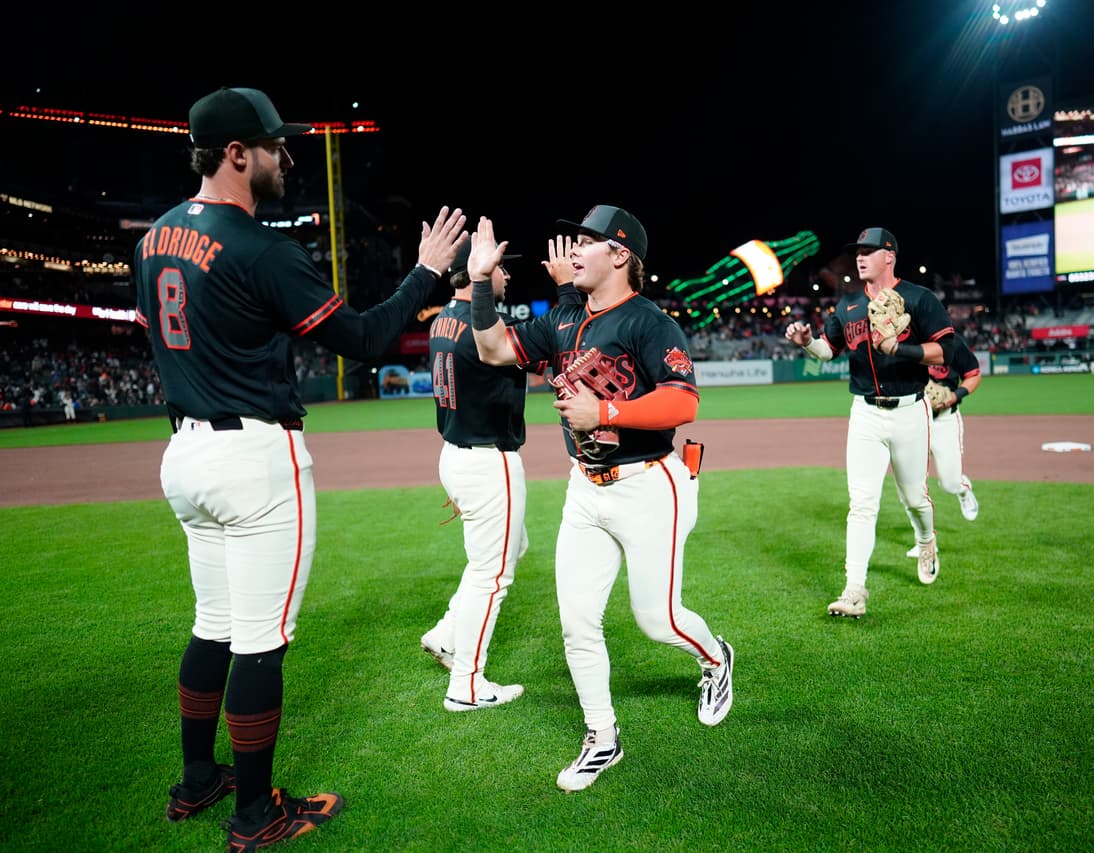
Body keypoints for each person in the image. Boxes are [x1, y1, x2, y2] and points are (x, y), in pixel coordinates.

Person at [133, 86, 466, 851]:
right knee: (259, 640)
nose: (287, 155)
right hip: (253, 455)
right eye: (274, 144)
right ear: (236, 153)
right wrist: (425, 271)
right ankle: (256, 814)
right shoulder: (261, 247)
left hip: (183, 452)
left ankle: (196, 778)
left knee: (212, 625)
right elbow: (366, 339)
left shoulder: (152, 239)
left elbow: (159, 332)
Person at [466, 207, 734, 792]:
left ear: (620, 255)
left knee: (658, 619)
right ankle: (602, 737)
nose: (572, 250)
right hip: (584, 487)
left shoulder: (649, 322)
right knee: (577, 622)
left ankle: (716, 658)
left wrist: (607, 410)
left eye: (586, 242)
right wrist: (481, 281)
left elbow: (684, 402)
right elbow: (492, 349)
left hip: (650, 484)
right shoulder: (564, 319)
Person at [419, 234, 582, 711]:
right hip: (488, 461)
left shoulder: (444, 318)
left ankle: (447, 633)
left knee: (510, 549)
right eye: (500, 266)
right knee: (492, 575)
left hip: (456, 454)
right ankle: (467, 685)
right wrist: (567, 291)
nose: (507, 273)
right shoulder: (484, 327)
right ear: (478, 272)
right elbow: (564, 338)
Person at [784, 227, 956, 618]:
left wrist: (900, 349)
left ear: (889, 256)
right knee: (861, 504)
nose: (859, 257)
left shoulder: (919, 298)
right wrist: (807, 341)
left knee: (915, 498)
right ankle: (854, 590)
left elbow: (945, 351)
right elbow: (827, 351)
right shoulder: (848, 305)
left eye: (868, 251)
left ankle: (926, 540)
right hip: (864, 412)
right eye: (857, 252)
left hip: (910, 410)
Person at [903, 337, 982, 559]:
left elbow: (974, 375)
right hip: (913, 420)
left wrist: (955, 396)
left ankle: (962, 488)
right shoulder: (905, 341)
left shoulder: (952, 343)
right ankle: (925, 542)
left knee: (950, 483)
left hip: (944, 420)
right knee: (911, 487)